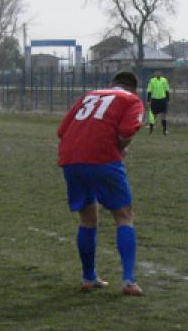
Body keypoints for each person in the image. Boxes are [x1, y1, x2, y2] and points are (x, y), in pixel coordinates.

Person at [57, 71, 145, 295]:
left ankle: (89, 278)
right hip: (102, 159)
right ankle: (129, 281)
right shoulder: (131, 100)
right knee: (124, 216)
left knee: (87, 218)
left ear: (111, 84)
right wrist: (122, 148)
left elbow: (62, 130)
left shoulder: (90, 95)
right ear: (134, 88)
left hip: (71, 159)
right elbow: (126, 132)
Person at [147, 69, 171, 134]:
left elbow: (167, 90)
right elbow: (149, 91)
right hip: (154, 100)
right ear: (155, 73)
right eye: (157, 72)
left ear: (161, 73)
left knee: (164, 114)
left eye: (159, 72)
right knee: (153, 115)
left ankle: (164, 130)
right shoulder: (152, 81)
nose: (158, 73)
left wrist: (168, 100)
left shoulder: (164, 80)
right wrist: (148, 100)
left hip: (163, 99)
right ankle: (151, 128)